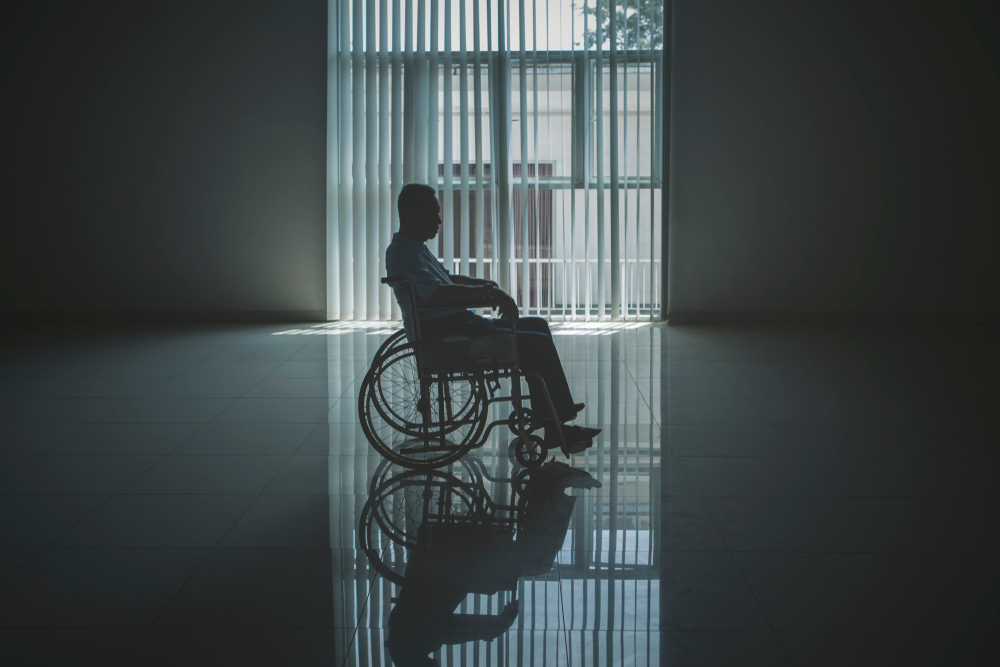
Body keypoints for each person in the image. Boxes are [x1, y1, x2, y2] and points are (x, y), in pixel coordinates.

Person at [385, 183, 600, 455]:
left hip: (460, 325)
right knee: (535, 344)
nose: (439, 220)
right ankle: (555, 422)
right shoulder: (403, 252)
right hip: (448, 335)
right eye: (433, 213)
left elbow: (448, 280)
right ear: (412, 215)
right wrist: (488, 293)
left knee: (538, 326)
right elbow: (438, 294)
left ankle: (554, 416)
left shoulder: (415, 248)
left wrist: (485, 285)